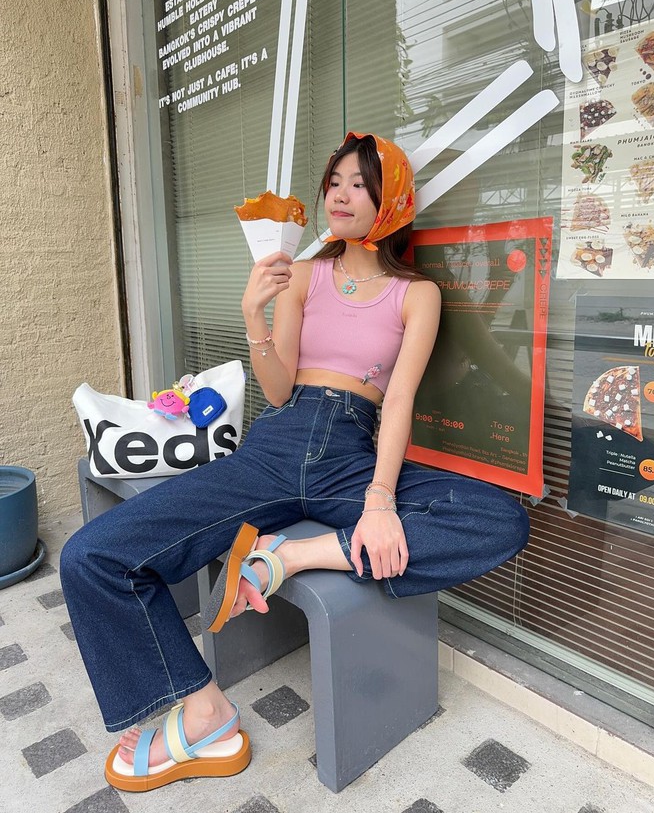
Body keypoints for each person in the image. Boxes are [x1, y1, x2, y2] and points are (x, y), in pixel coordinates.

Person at [60, 131, 529, 792]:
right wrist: (253, 315)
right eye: (334, 182)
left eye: (360, 184)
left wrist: (379, 498)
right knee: (91, 556)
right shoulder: (303, 275)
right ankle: (205, 708)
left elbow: (398, 401)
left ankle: (294, 554)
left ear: (391, 200)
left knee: (500, 518)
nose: (340, 194)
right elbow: (278, 389)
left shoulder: (416, 293)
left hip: (352, 453)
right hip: (275, 446)